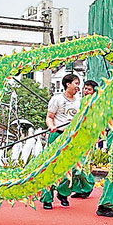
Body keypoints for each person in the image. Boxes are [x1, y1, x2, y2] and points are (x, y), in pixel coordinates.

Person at [41, 73, 81, 210]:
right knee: (50, 166)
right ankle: (47, 198)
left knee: (74, 168)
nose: (77, 87)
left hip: (72, 138)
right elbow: (49, 117)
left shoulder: (79, 101)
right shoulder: (56, 99)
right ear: (67, 84)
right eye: (76, 83)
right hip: (57, 135)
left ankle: (63, 193)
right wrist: (51, 126)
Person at [70, 79, 99, 199]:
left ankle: (87, 187)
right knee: (74, 163)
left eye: (89, 89)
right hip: (78, 135)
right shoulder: (81, 102)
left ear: (94, 92)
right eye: (85, 88)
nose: (86, 91)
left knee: (83, 164)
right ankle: (79, 188)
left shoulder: (96, 104)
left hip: (89, 136)